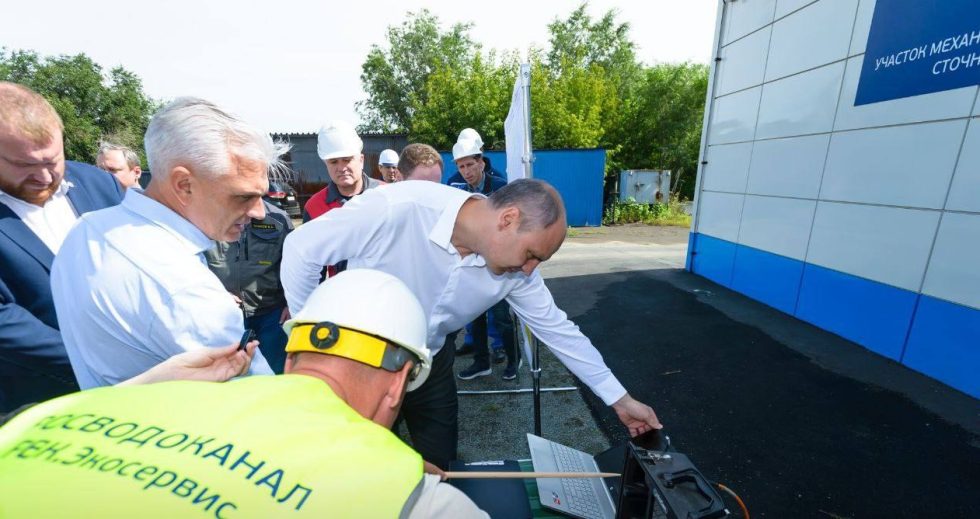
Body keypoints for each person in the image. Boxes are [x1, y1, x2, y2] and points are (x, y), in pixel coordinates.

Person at [0, 269, 488, 518]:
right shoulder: (414, 504)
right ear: (398, 384)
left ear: (291, 359)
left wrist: (148, 387)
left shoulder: (92, 408)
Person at [281, 179, 662, 470]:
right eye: (531, 254)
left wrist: (621, 400)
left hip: (433, 362)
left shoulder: (517, 273)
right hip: (363, 363)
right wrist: (316, 350)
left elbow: (557, 329)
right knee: (359, 464)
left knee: (441, 468)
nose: (530, 269)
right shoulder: (399, 206)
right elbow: (302, 249)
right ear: (508, 219)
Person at [50, 97, 282, 388]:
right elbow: (255, 395)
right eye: (244, 196)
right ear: (184, 185)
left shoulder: (87, 229)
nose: (259, 212)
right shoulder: (185, 289)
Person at [0, 82, 125, 412]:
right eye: (25, 166)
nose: (44, 177)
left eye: (54, 161)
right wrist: (102, 363)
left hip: (130, 397)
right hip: (28, 404)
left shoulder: (101, 184)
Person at [446, 129, 519, 381]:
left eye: (470, 165)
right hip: (470, 261)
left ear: (481, 162)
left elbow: (511, 224)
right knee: (474, 315)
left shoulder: (500, 186)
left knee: (501, 316)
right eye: (461, 166)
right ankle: (481, 362)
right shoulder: (453, 185)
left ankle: (514, 360)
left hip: (497, 262)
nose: (466, 171)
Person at [206, 199, 294, 373]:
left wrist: (289, 302)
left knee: (275, 372)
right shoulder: (209, 214)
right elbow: (193, 260)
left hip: (272, 314)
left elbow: (293, 263)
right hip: (224, 314)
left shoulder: (279, 219)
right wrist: (214, 293)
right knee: (226, 374)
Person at [301, 120, 384, 223]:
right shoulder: (314, 208)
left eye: (347, 160)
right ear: (326, 165)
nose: (341, 168)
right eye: (334, 162)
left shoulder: (387, 194)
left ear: (361, 160)